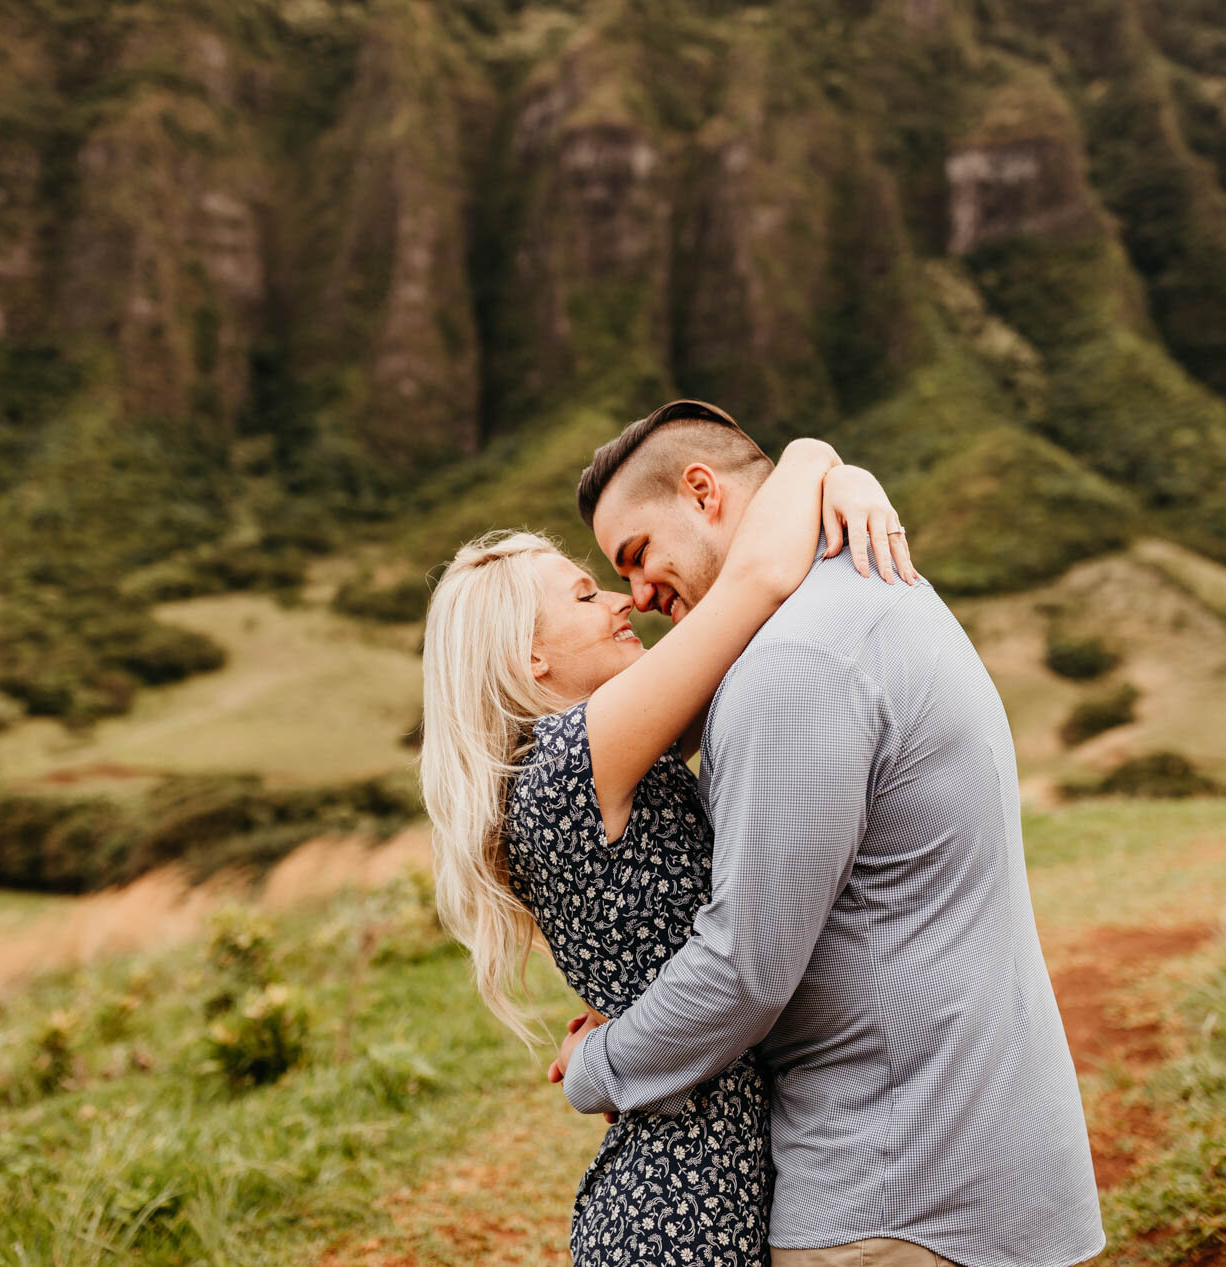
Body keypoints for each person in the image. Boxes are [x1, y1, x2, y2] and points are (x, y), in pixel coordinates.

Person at [550, 401, 1106, 1267]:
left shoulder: (794, 664)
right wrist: (820, 460)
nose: (640, 593)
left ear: (703, 492)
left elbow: (746, 968)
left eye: (637, 554)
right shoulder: (870, 590)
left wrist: (599, 1064)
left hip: (889, 1196)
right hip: (962, 1158)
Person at [419, 408, 918, 1267]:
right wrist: (817, 456)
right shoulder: (579, 757)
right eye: (584, 595)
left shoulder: (592, 759)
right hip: (682, 1208)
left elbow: (743, 635)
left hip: (700, 1178)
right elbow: (755, 581)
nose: (622, 600)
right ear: (528, 659)